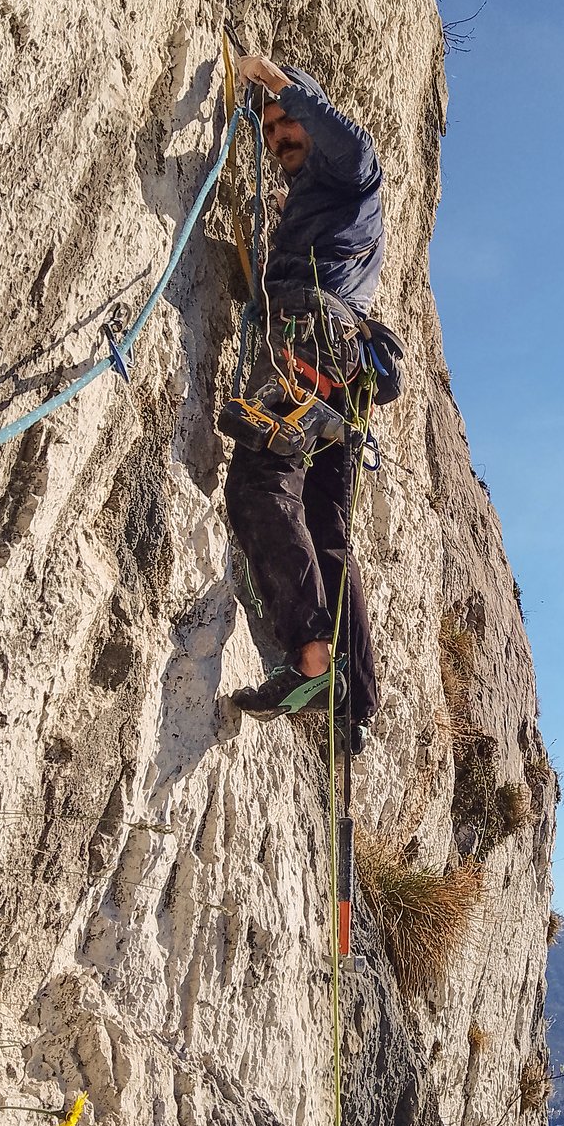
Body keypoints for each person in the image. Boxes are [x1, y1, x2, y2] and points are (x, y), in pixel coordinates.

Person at [224, 53, 384, 748]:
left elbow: (345, 136)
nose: (281, 133)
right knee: (324, 525)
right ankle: (358, 702)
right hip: (340, 369)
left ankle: (314, 664)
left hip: (310, 344)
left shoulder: (352, 170)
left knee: (261, 480)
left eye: (289, 121)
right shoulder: (320, 204)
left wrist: (275, 81)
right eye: (271, 127)